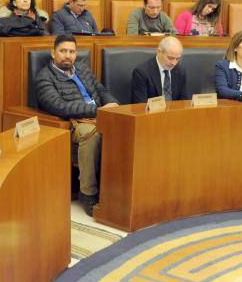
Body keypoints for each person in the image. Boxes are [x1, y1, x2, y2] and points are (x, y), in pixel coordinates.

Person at [34, 35, 118, 214]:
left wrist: (113, 105)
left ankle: (116, 189)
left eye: (72, 52)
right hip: (75, 121)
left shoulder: (82, 68)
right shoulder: (45, 77)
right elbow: (60, 107)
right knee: (92, 135)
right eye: (63, 51)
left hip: (101, 114)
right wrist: (99, 111)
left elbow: (101, 89)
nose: (68, 55)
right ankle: (88, 193)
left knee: (125, 131)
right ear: (53, 53)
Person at [130, 36, 187, 103]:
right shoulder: (142, 72)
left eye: (177, 59)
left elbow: (183, 101)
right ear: (159, 52)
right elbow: (140, 105)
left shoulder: (180, 71)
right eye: (170, 58)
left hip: (174, 112)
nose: (174, 63)